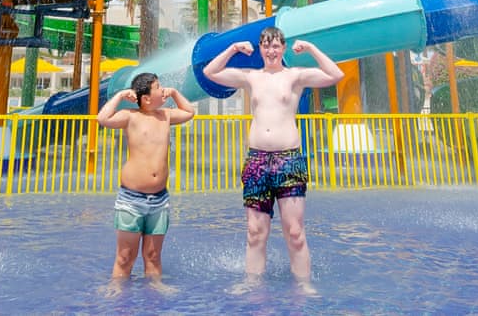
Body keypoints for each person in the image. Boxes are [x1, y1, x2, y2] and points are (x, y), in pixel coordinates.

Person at [201, 26, 344, 287]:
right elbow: (210, 72)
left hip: (288, 161)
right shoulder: (251, 77)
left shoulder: (295, 76)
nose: (271, 51)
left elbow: (336, 74)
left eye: (276, 45)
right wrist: (233, 48)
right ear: (260, 49)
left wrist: (311, 48)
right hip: (257, 162)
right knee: (255, 232)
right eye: (266, 46)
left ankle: (303, 285)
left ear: (283, 48)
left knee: (295, 232)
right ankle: (252, 284)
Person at [96, 71, 196, 282]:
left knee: (153, 256)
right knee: (125, 257)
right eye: (158, 87)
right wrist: (120, 96)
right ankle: (118, 291)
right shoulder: (130, 116)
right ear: (147, 98)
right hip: (131, 200)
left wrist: (175, 93)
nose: (163, 90)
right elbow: (102, 118)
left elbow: (189, 112)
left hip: (159, 200)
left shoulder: (165, 115)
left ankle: (154, 292)